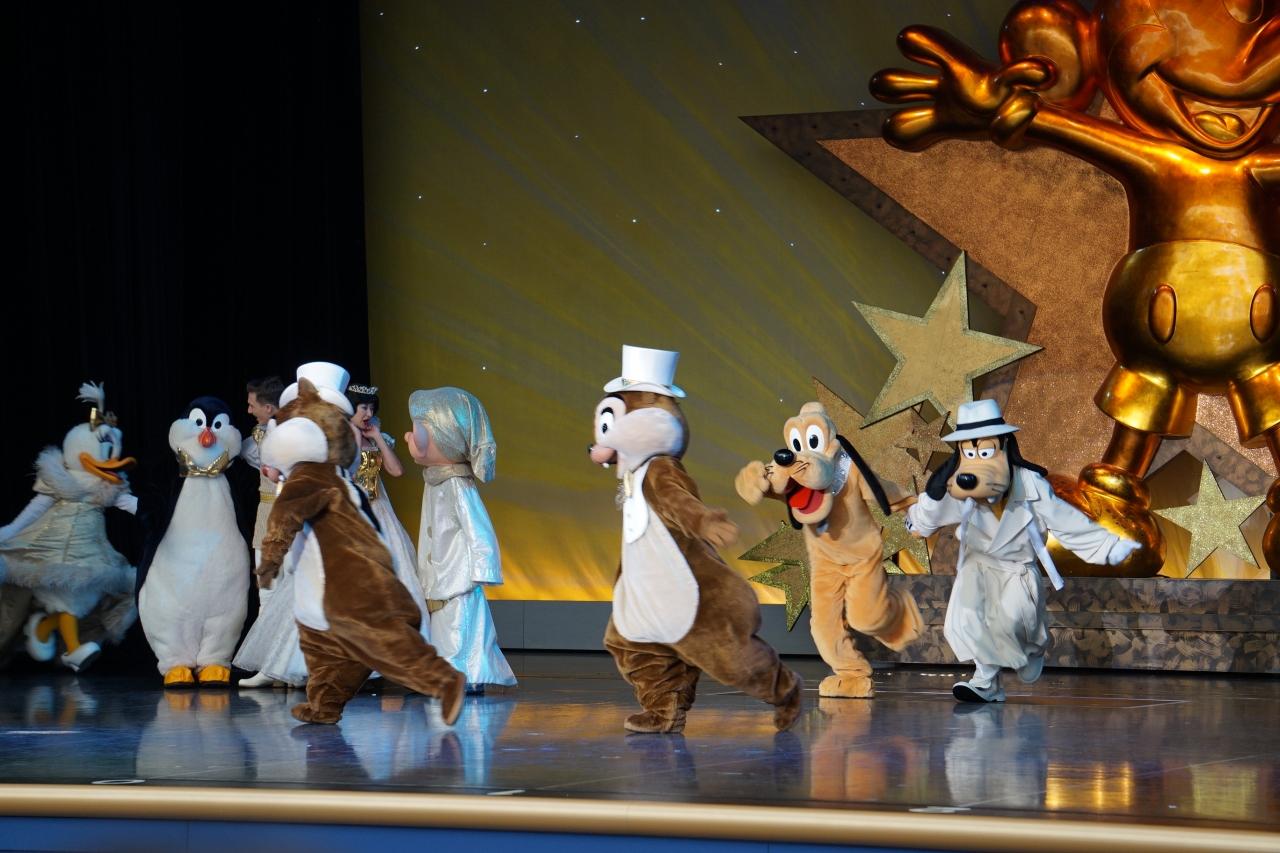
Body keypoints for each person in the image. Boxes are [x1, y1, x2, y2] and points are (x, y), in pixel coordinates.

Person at [406, 387, 516, 693]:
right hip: (440, 572)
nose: (409, 437)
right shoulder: (435, 480)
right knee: (445, 628)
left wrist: (482, 568)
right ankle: (449, 673)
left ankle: (464, 675)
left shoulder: (456, 483)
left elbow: (477, 527)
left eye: (418, 431)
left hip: (458, 574)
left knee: (461, 626)